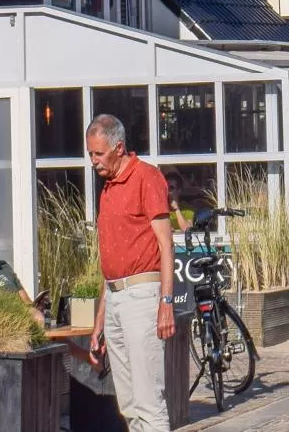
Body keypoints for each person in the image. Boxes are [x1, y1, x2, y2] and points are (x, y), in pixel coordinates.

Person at [85, 114, 175, 432]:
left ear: (118, 147)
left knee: (149, 400)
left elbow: (166, 244)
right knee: (129, 404)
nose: (93, 161)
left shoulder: (146, 178)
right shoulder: (108, 189)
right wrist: (98, 323)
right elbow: (108, 261)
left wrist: (166, 302)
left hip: (143, 295)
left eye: (98, 154)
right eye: (90, 155)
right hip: (115, 295)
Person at [0, 218, 43, 325]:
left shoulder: (3, 266)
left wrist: (35, 313)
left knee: (67, 342)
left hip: (23, 327)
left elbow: (26, 303)